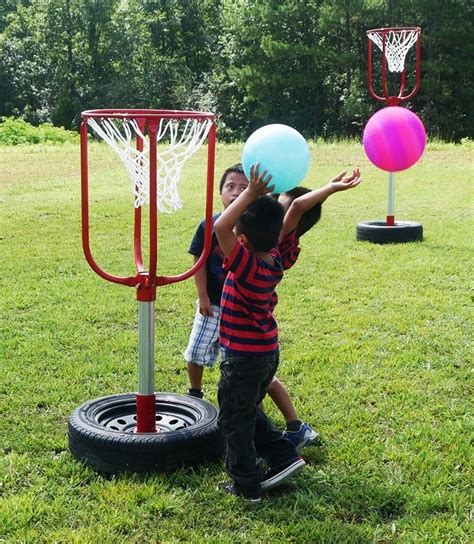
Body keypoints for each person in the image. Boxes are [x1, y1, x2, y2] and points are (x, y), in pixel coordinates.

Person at [215, 165, 305, 502]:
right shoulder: (275, 259)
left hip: (243, 359)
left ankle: (246, 485)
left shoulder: (247, 266)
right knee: (247, 411)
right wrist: (256, 198)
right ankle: (284, 455)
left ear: (241, 241)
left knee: (234, 423)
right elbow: (293, 211)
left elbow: (221, 225)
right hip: (265, 355)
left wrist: (251, 194)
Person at [262, 169, 362, 448]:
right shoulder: (273, 237)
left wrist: (329, 189)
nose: (275, 208)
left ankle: (264, 436)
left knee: (254, 381)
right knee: (265, 378)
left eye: (279, 206)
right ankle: (296, 427)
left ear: (295, 221)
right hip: (256, 320)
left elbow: (295, 206)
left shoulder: (280, 239)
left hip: (252, 322)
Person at [184, 164, 248, 399]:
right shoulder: (207, 226)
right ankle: (195, 393)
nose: (236, 193)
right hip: (212, 305)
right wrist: (202, 296)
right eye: (230, 187)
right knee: (195, 351)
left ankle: (245, 397)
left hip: (241, 309)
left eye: (244, 188)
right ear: (220, 192)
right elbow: (198, 262)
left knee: (237, 358)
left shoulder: (254, 229)